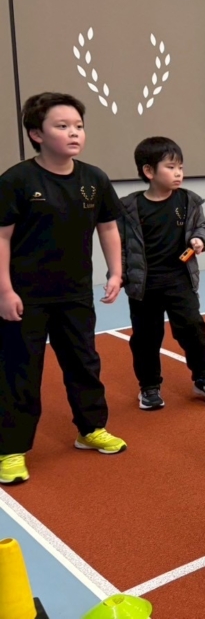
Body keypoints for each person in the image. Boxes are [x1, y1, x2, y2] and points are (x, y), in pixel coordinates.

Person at [0, 93, 127, 486]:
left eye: (79, 126)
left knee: (84, 363)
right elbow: (1, 238)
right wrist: (4, 292)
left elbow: (108, 227)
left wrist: (116, 272)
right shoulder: (16, 181)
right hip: (25, 296)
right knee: (20, 372)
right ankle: (11, 449)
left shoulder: (95, 179)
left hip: (75, 293)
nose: (74, 133)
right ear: (36, 134)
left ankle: (90, 429)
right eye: (63, 126)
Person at [119, 137, 205, 410]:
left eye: (180, 167)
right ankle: (149, 387)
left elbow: (201, 227)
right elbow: (120, 245)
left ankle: (203, 378)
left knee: (193, 328)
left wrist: (199, 239)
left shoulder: (189, 201)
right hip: (144, 286)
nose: (178, 173)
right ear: (149, 171)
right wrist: (118, 275)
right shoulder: (130, 207)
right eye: (170, 167)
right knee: (146, 338)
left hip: (180, 280)